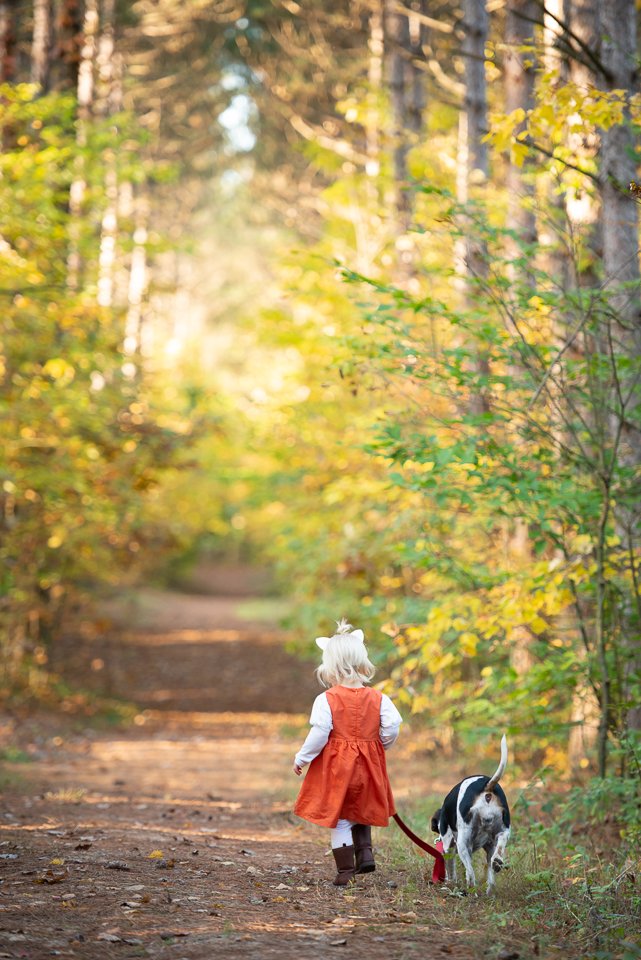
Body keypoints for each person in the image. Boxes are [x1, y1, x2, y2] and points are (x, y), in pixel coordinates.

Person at [292, 619, 403, 886]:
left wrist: (303, 757)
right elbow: (393, 725)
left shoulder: (326, 699)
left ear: (329, 667)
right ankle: (365, 854)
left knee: (341, 817)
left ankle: (345, 872)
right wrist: (381, 745)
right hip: (368, 763)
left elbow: (320, 732)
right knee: (362, 808)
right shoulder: (379, 698)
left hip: (337, 767)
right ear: (362, 661)